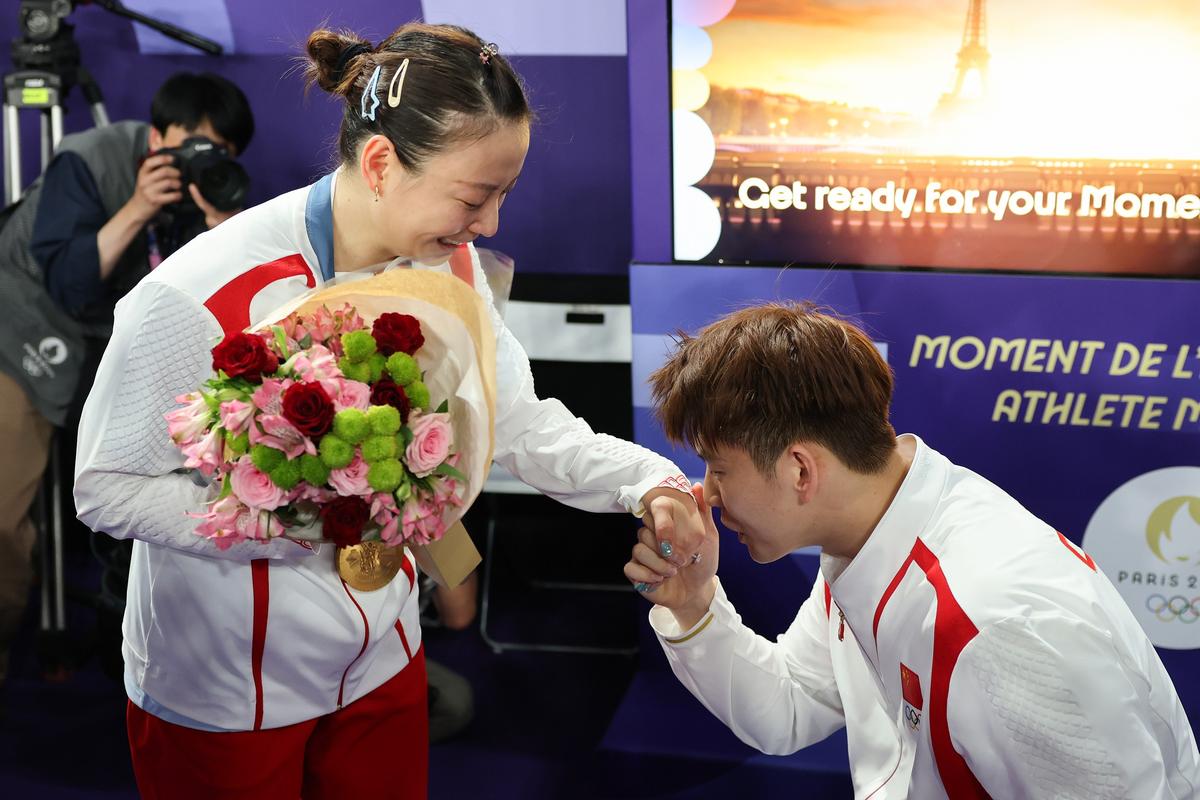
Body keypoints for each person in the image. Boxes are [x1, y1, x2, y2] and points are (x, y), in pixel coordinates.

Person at [72, 23, 704, 800]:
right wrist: (291, 516)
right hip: (225, 691)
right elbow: (104, 485)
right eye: (475, 196)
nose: (493, 225)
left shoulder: (452, 261)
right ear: (380, 163)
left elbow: (519, 421)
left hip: (381, 659)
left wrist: (650, 481)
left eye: (504, 194)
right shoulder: (196, 293)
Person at [625, 303, 1200, 798]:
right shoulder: (874, 526)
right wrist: (695, 606)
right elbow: (790, 705)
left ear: (801, 469)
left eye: (720, 468)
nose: (708, 494)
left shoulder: (997, 623)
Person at [0, 71, 253, 694]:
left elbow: (220, 306)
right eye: (192, 146)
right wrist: (140, 205)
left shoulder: (208, 193)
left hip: (114, 352)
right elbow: (70, 284)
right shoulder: (89, 160)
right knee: (2, 516)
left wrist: (225, 227)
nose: (202, 162)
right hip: (26, 331)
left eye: (219, 155)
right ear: (156, 134)